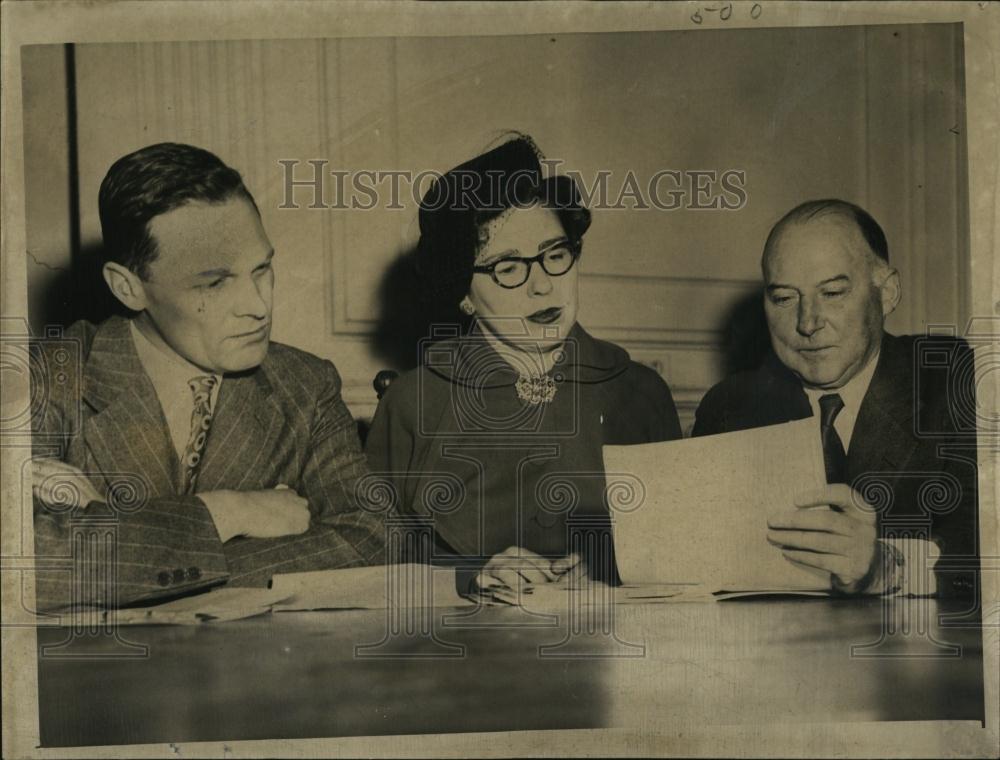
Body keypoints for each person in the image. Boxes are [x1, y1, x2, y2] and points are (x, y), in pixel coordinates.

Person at [30, 143, 385, 610]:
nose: (258, 306)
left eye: (262, 269)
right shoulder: (44, 379)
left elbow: (370, 540)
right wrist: (227, 512)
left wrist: (123, 539)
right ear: (129, 287)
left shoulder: (306, 383)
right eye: (214, 283)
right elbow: (26, 563)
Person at [364, 135, 682, 594]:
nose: (542, 287)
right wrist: (471, 573)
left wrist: (609, 568)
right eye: (508, 268)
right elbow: (372, 552)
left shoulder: (641, 392)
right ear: (464, 296)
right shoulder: (414, 402)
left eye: (555, 255)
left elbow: (683, 549)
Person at [693, 199, 978, 597]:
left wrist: (889, 567)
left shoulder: (959, 382)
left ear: (888, 292)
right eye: (784, 298)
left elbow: (987, 546)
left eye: (832, 292)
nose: (808, 323)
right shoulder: (728, 407)